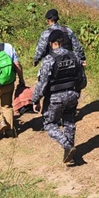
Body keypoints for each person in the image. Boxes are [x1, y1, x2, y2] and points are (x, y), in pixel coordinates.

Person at [32, 29, 85, 164]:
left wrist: (36, 99)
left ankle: (67, 146)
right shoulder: (75, 56)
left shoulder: (49, 60)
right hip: (72, 94)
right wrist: (77, 91)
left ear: (51, 43)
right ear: (64, 41)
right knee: (69, 122)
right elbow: (82, 79)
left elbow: (42, 83)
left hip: (55, 97)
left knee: (49, 124)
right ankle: (70, 154)